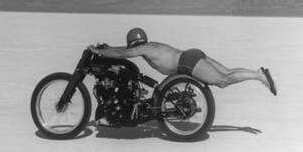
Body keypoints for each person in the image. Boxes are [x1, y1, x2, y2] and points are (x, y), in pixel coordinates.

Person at [89, 27, 277, 95]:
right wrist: (106, 50)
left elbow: (124, 54)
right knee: (227, 72)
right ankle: (257, 72)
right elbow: (124, 51)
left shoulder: (143, 48)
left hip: (186, 62)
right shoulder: (150, 45)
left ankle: (259, 76)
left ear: (132, 42)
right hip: (192, 55)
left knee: (222, 81)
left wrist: (100, 51)